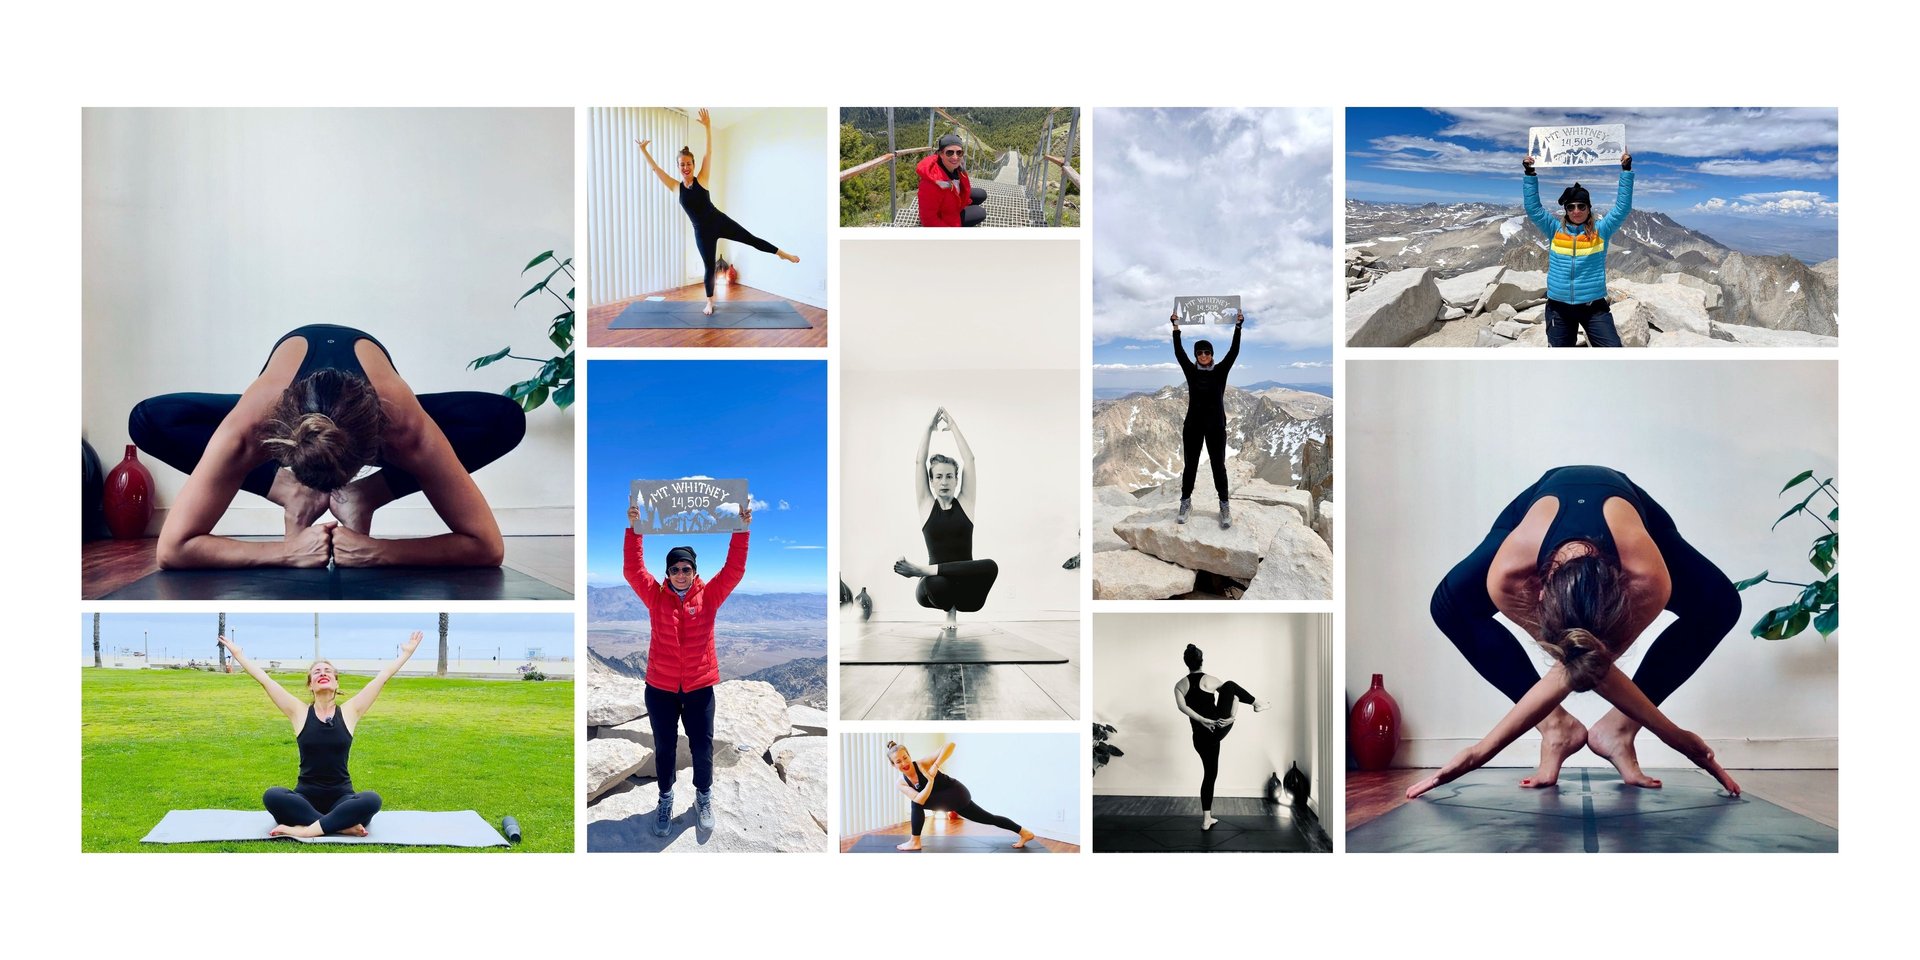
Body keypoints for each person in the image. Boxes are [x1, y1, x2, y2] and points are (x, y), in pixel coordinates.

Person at [1417, 465, 1743, 799]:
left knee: (1720, 604)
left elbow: (1588, 664)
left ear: (1624, 592)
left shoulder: (1647, 579)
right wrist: (1479, 752)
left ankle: (1618, 729)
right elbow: (1578, 664)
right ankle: (1556, 728)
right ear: (1539, 591)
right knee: (1449, 606)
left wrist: (1676, 738)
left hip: (1631, 510)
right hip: (1539, 505)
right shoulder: (1510, 576)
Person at [129, 325, 524, 570]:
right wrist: (284, 554)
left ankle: (364, 496)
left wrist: (378, 551)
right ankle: (290, 491)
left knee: (503, 419)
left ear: (379, 450)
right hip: (279, 412)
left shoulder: (406, 431)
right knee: (149, 419)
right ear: (277, 444)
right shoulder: (248, 430)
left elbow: (488, 547)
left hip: (377, 415)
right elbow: (172, 550)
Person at [625, 499, 751, 837]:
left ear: (694, 571)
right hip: (661, 689)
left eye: (686, 568)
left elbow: (734, 570)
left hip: (699, 688)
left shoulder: (709, 596)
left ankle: (703, 798)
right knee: (664, 747)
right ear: (667, 573)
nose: (681, 574)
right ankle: (665, 799)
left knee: (702, 747)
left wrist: (742, 528)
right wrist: (635, 529)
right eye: (675, 569)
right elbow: (633, 570)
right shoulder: (655, 596)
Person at [219, 631, 422, 838]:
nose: (322, 673)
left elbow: (381, 679)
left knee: (372, 800)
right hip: (305, 798)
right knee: (273, 796)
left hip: (342, 797)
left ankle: (306, 830)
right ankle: (340, 826)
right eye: (316, 672)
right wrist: (239, 655)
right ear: (310, 684)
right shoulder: (299, 712)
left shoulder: (350, 712)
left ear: (336, 682)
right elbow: (265, 680)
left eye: (327, 671)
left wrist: (406, 654)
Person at [635, 108, 801, 316]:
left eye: (688, 164)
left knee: (751, 238)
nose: (685, 167)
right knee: (708, 267)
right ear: (678, 167)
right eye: (681, 165)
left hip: (719, 221)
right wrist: (643, 150)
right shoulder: (675, 187)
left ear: (693, 165)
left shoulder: (702, 178)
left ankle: (782, 254)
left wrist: (707, 127)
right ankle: (710, 302)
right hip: (702, 233)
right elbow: (656, 170)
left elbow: (709, 153)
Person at [893, 407, 998, 633]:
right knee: (936, 582)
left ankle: (922, 570)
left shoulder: (966, 504)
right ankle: (947, 608)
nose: (944, 482)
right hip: (934, 591)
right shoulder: (925, 505)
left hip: (967, 594)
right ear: (931, 481)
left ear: (956, 479)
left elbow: (969, 460)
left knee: (990, 565)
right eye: (938, 476)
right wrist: (928, 429)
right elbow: (919, 462)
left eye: (949, 476)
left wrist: (954, 427)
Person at [1522, 151, 1634, 347]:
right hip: (1558, 307)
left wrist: (1626, 171)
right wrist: (1530, 174)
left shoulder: (1601, 230)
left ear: (1589, 208)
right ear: (1565, 210)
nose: (1576, 211)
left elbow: (1621, 209)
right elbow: (1534, 209)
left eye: (1581, 206)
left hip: (1594, 307)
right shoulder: (1554, 229)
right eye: (1571, 206)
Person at [1174, 643, 1270, 830]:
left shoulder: (1179, 685)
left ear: (1187, 663)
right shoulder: (1210, 680)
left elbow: (1182, 707)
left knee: (1209, 775)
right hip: (1218, 728)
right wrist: (1232, 718)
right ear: (1201, 661)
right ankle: (1257, 704)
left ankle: (1206, 819)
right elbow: (1234, 696)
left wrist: (1201, 720)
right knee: (1231, 685)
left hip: (1199, 738)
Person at [886, 740, 1036, 850]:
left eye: (905, 757)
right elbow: (920, 798)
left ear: (909, 755)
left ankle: (914, 841)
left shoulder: (923, 763)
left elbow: (950, 745)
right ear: (893, 765)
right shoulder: (901, 783)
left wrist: (935, 766)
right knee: (988, 818)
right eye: (898, 761)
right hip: (947, 800)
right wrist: (930, 781)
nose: (904, 763)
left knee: (916, 803)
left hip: (956, 793)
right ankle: (1025, 832)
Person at [1171, 307, 1243, 527]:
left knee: (1218, 466)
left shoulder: (1221, 371)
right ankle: (1186, 502)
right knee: (1190, 465)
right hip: (1192, 425)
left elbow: (1233, 352)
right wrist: (1175, 327)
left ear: (1212, 354)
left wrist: (1238, 326)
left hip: (1216, 427)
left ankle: (1224, 505)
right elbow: (1179, 353)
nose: (1203, 356)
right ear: (1196, 355)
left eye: (1207, 352)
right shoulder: (1191, 371)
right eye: (1200, 353)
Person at [915, 133, 988, 227]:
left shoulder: (957, 167)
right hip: (945, 216)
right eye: (949, 152)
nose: (955, 157)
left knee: (981, 194)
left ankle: (962, 206)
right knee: (980, 212)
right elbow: (928, 220)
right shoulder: (930, 184)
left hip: (952, 200)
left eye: (959, 152)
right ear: (940, 154)